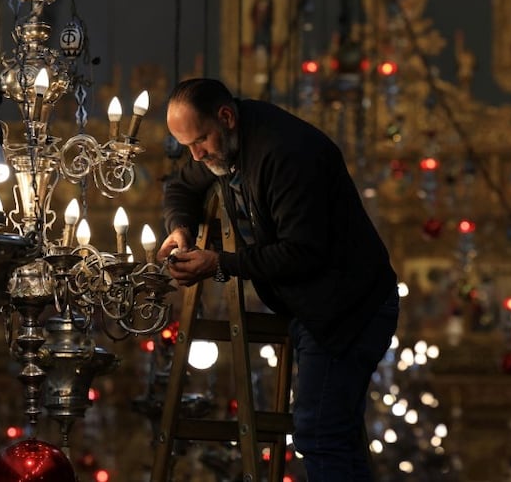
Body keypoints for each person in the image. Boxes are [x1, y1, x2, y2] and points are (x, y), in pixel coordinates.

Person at [158, 78, 400, 481]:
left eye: (200, 140)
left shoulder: (286, 153)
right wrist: (180, 229)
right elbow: (181, 187)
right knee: (337, 438)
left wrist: (219, 263)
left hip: (349, 308)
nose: (197, 155)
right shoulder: (223, 147)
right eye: (187, 146)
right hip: (318, 310)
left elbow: (301, 252)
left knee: (320, 436)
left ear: (226, 116)